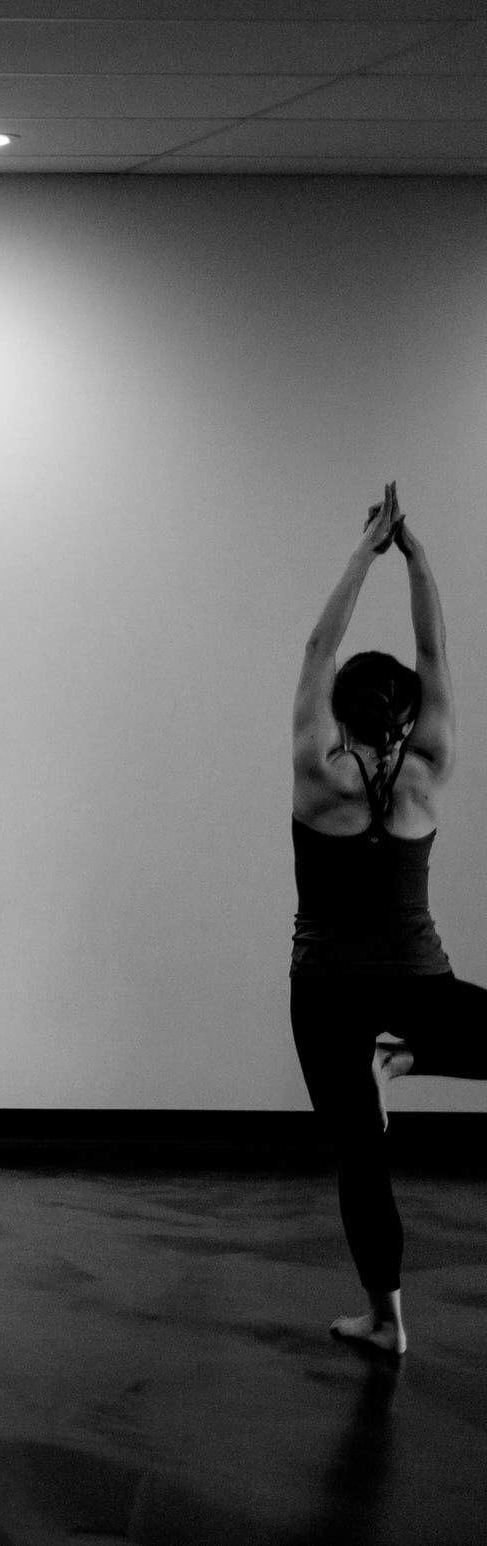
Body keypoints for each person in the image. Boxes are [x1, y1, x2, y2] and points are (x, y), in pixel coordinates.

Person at [290, 482, 487, 1357]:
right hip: (418, 980)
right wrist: (417, 555)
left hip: (325, 992)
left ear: (341, 707)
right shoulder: (430, 767)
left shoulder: (317, 769)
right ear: (408, 714)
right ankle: (406, 1055)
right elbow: (436, 647)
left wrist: (363, 554)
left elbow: (315, 645)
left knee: (362, 1164)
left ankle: (388, 1323)